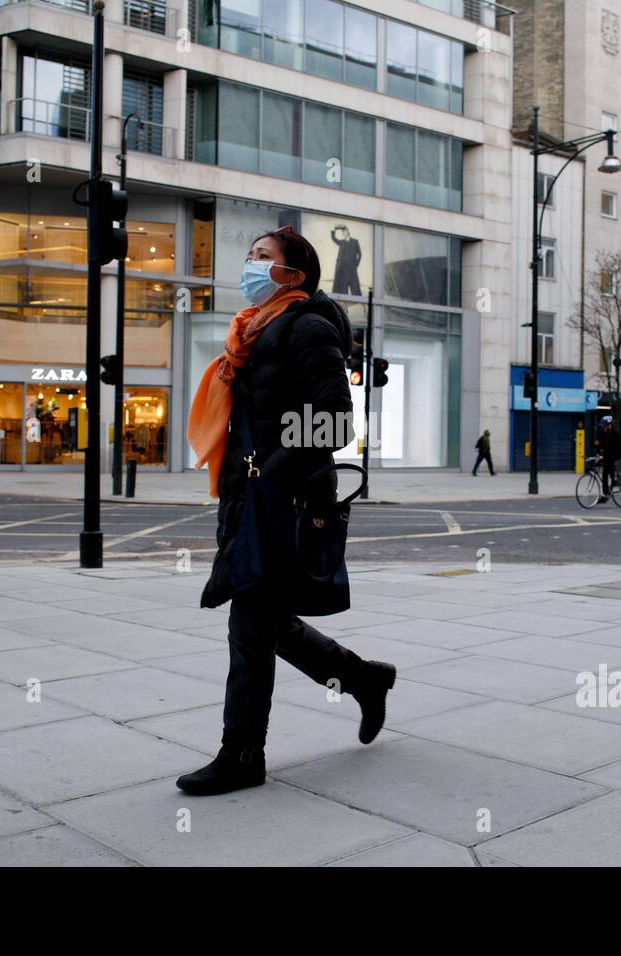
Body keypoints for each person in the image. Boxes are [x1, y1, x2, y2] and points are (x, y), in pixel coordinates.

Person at [183, 225, 397, 797]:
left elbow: (335, 419)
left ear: (293, 276)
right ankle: (363, 678)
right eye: (249, 255)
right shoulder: (254, 332)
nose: (250, 265)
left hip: (285, 499)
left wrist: (268, 469)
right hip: (252, 499)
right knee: (265, 623)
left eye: (263, 258)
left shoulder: (306, 326)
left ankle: (242, 755)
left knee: (250, 625)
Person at [594, 416, 621, 503]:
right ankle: (606, 494)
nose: (603, 427)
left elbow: (617, 448)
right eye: (602, 426)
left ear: (610, 425)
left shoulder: (616, 434)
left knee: (609, 471)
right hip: (607, 456)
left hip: (615, 456)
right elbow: (600, 445)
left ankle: (616, 482)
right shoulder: (603, 433)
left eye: (604, 426)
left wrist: (617, 455)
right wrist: (597, 446)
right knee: (604, 475)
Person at [329, 225, 362, 296]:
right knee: (343, 285)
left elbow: (359, 254)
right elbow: (334, 238)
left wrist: (356, 264)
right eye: (342, 232)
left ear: (348, 231)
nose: (343, 233)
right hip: (343, 267)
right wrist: (334, 229)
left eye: (344, 231)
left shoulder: (355, 242)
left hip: (352, 267)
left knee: (354, 285)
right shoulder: (342, 242)